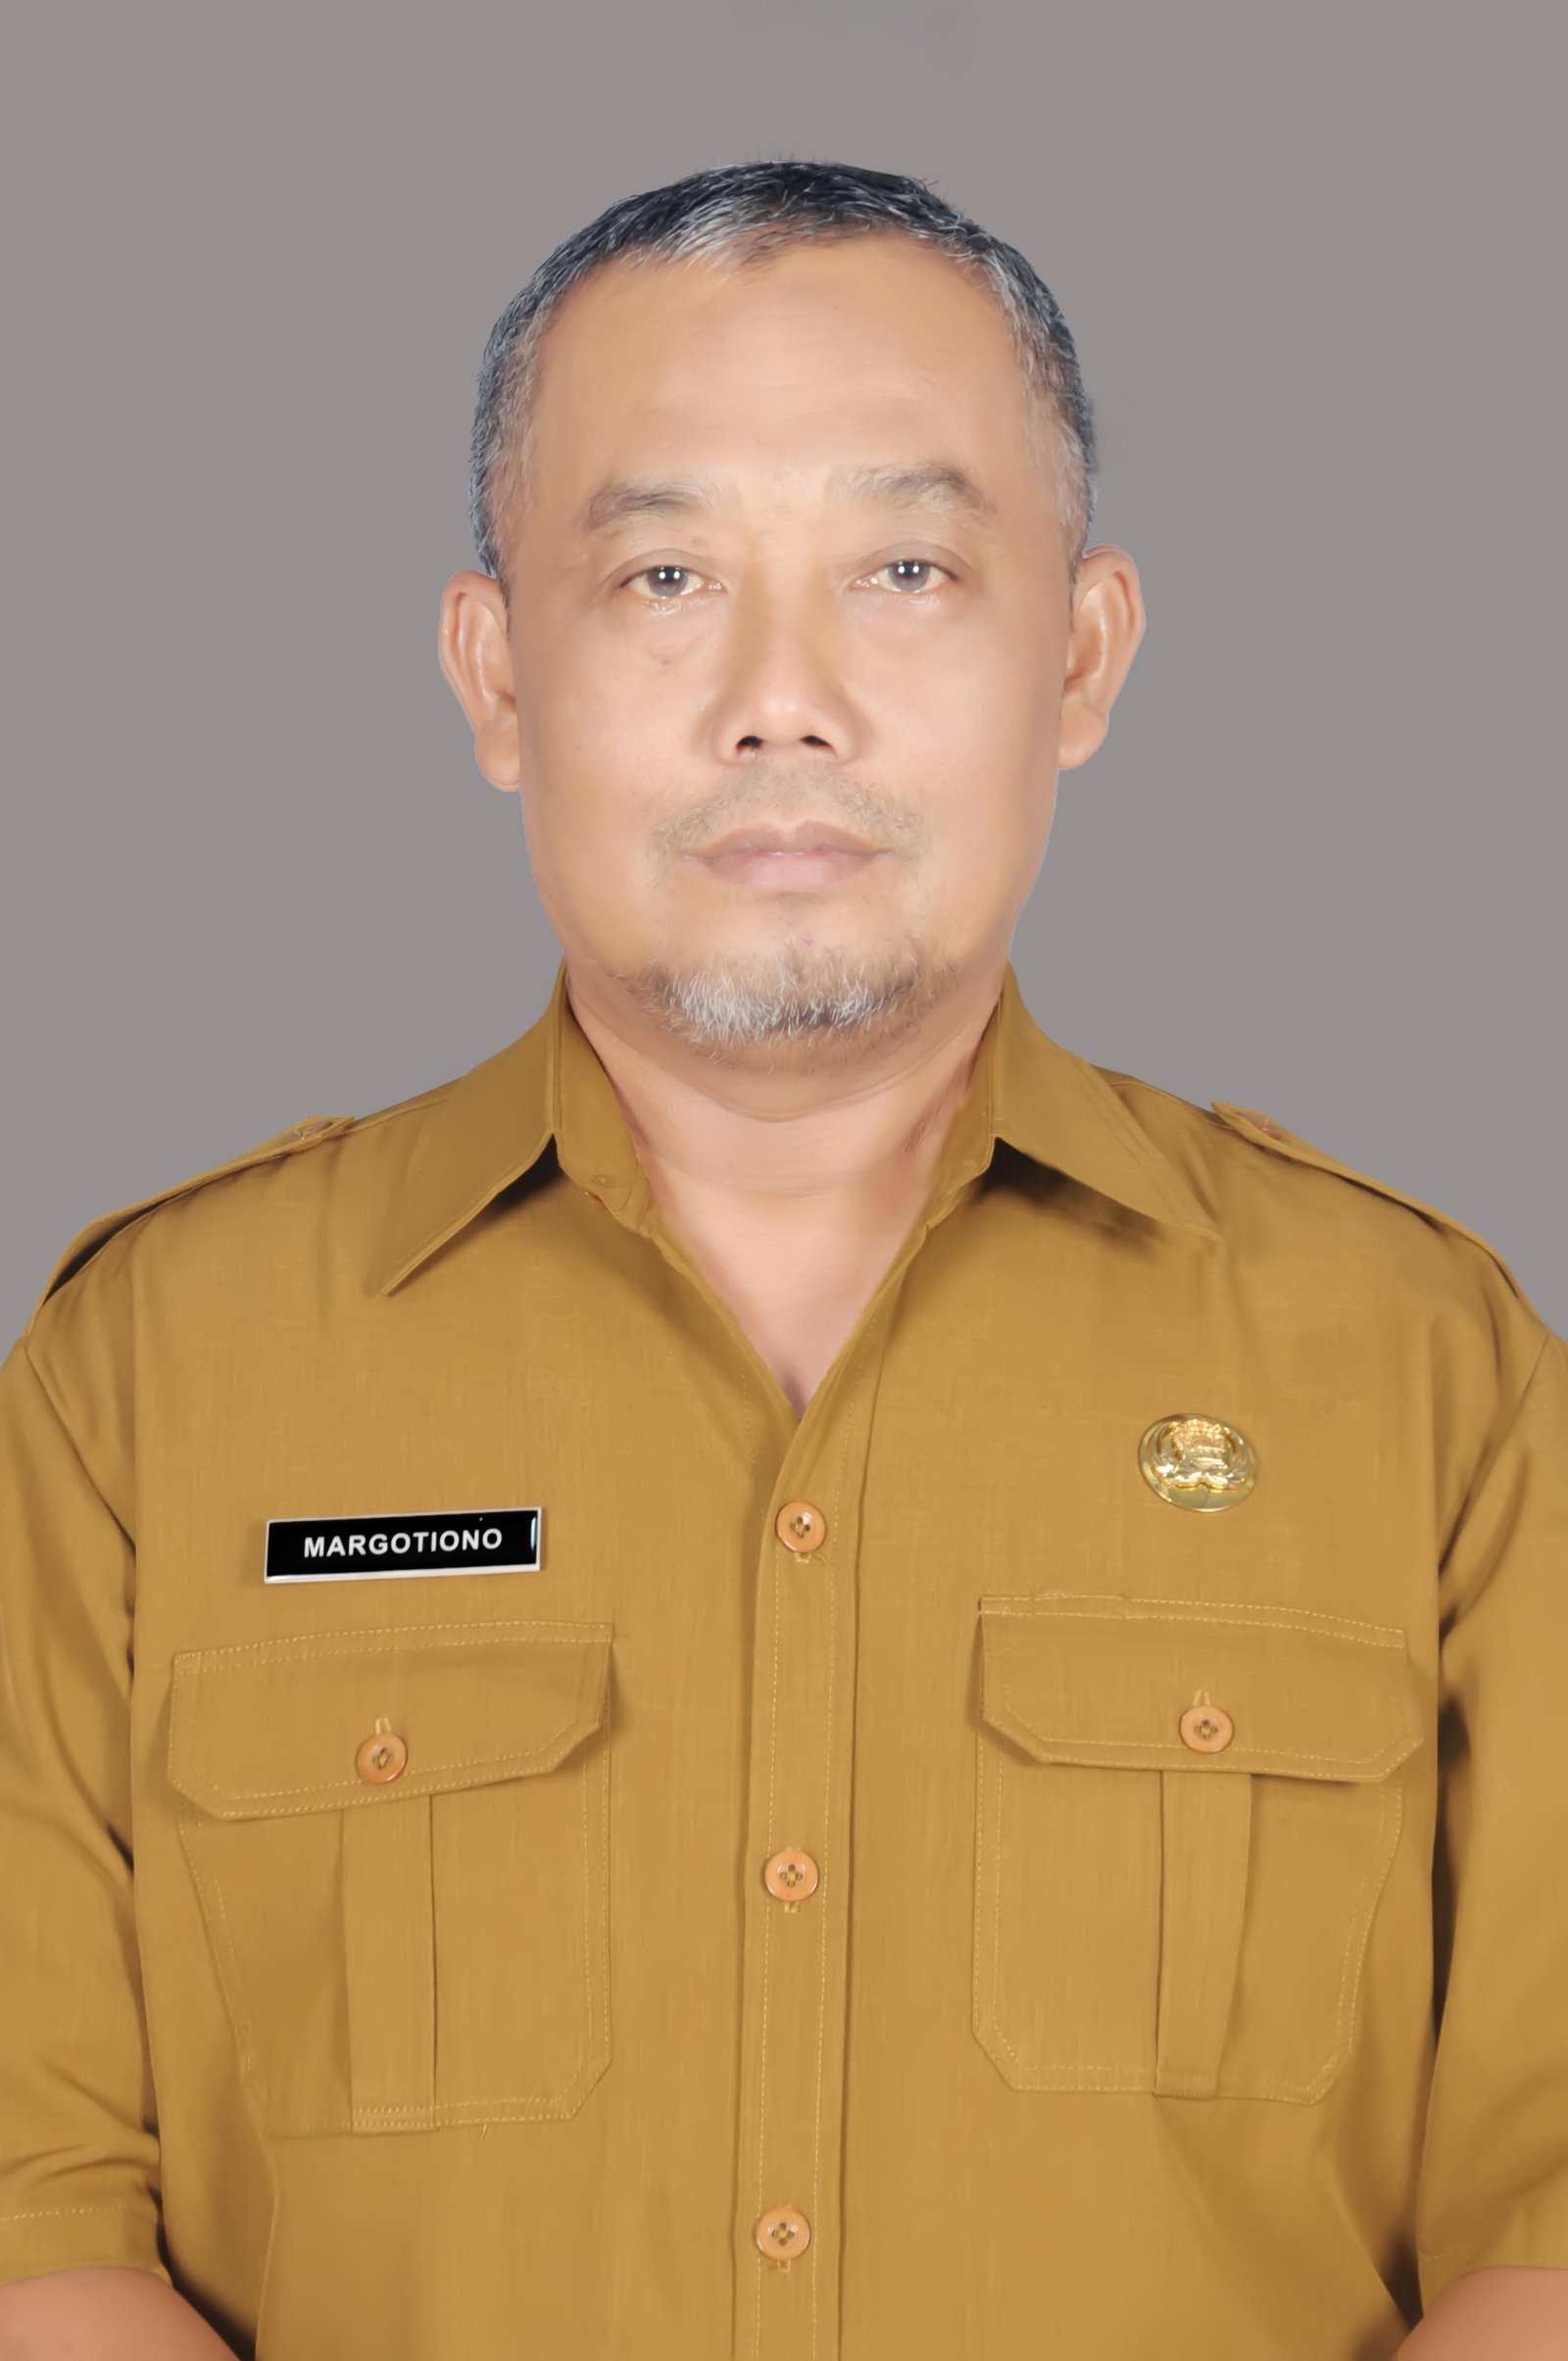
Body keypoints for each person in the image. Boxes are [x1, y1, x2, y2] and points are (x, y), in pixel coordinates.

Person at [1, 157, 1565, 2361]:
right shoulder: (145, 1379)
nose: (780, 700)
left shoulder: (1423, 1368)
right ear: (495, 675)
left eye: (903, 568)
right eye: (664, 575)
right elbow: (35, 2222)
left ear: (1081, 652)